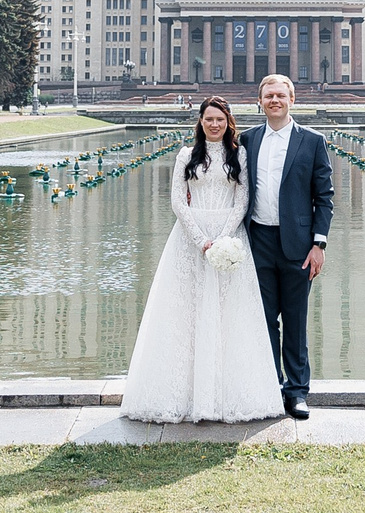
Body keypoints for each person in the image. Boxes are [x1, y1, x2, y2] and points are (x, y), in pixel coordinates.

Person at [120, 95, 282, 424]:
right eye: (208, 119)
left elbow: (242, 199)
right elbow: (178, 202)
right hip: (189, 239)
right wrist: (201, 240)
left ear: (228, 122)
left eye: (220, 119)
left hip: (228, 238)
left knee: (228, 314)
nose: (214, 124)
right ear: (200, 121)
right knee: (186, 313)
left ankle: (225, 396)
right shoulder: (185, 156)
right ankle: (185, 394)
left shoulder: (240, 155)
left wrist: (222, 237)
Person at [244, 73, 333, 419]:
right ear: (260, 101)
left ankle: (296, 392)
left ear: (292, 100)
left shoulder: (312, 140)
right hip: (258, 241)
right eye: (268, 96)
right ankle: (269, 386)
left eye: (281, 95)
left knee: (295, 320)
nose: (274, 101)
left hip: (298, 245)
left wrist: (319, 244)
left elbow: (324, 197)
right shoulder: (248, 140)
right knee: (264, 320)